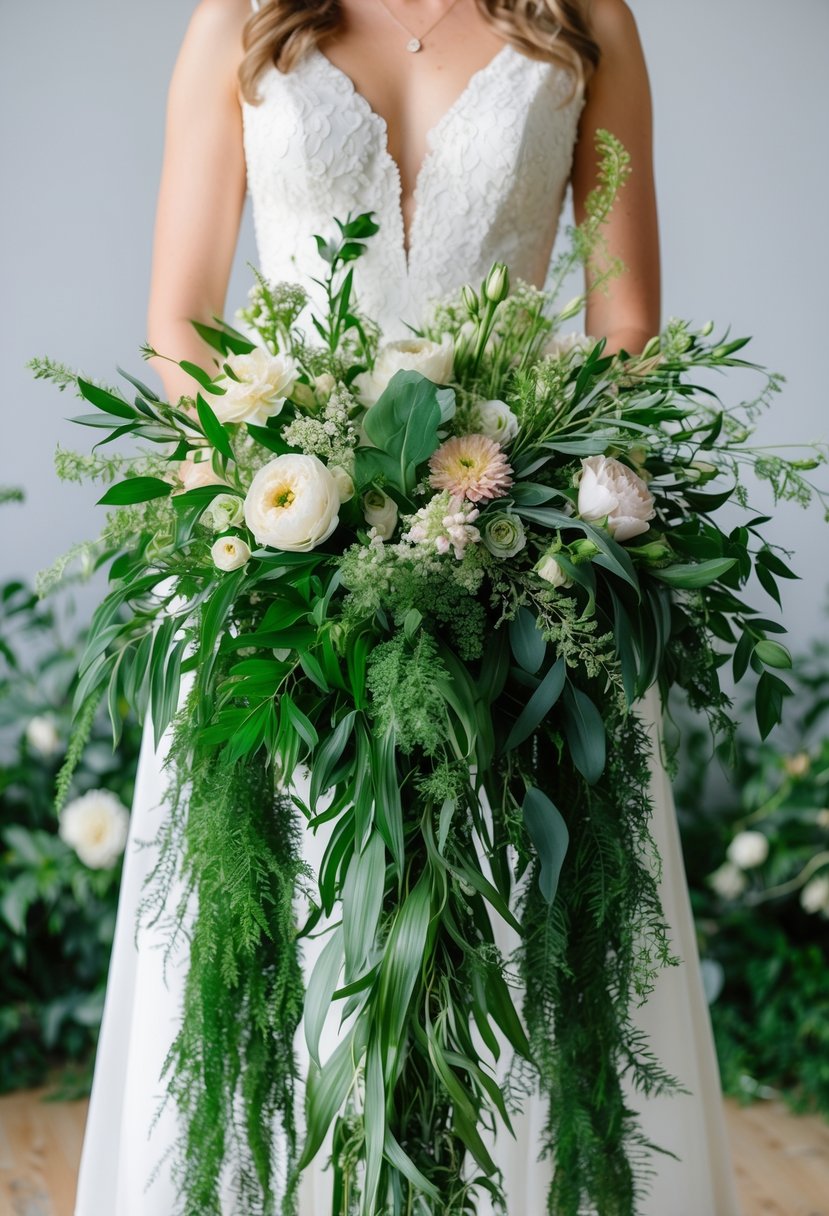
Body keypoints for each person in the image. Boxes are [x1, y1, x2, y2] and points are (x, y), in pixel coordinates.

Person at [74, 1, 743, 1213]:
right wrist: (290, 484)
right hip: (284, 564)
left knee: (530, 945)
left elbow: (624, 321)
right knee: (269, 948)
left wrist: (521, 496)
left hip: (517, 559)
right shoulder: (241, 15)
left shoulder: (585, 18)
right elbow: (178, 322)